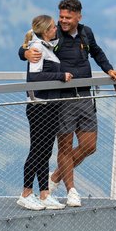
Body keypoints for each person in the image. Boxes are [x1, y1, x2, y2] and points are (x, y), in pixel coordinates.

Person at [22, 0, 116, 207]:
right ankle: (71, 191)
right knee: (65, 147)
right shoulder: (54, 33)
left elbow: (96, 51)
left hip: (85, 94)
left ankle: (56, 176)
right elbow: (33, 43)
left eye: (68, 17)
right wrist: (24, 53)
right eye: (61, 17)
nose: (63, 21)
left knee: (89, 145)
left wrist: (109, 69)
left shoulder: (86, 33)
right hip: (63, 97)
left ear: (79, 16)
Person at [16, 14, 73, 211]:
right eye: (53, 28)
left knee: (45, 151)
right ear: (46, 30)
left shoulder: (46, 46)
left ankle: (44, 193)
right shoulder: (38, 47)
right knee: (37, 149)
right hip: (39, 105)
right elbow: (35, 76)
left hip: (50, 105)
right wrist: (61, 75)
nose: (56, 29)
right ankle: (25, 193)